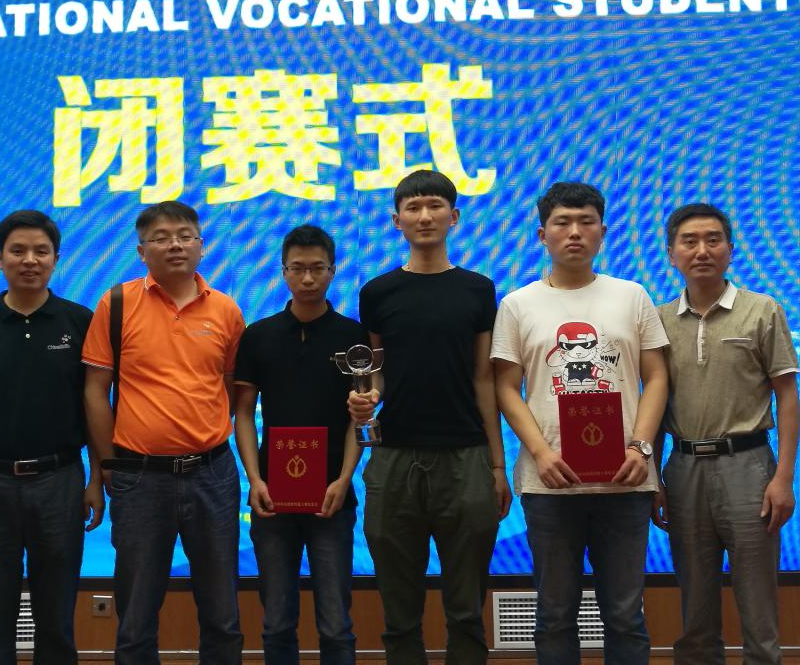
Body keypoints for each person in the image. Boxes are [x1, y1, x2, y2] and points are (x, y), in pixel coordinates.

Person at [491, 182, 668, 665]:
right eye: (562, 223)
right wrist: (541, 454)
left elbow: (657, 377)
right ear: (542, 234)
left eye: (586, 222)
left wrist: (641, 448)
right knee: (554, 614)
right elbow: (505, 387)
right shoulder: (518, 304)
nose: (575, 232)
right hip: (549, 483)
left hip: (625, 479)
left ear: (603, 232)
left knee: (626, 615)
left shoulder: (632, 296)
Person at [348, 170, 512, 665]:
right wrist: (366, 399)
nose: (424, 216)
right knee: (399, 611)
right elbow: (376, 372)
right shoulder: (377, 292)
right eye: (413, 207)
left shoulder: (478, 289)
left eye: (435, 206)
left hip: (466, 457)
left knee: (466, 608)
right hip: (393, 457)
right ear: (396, 220)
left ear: (454, 217)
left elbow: (484, 379)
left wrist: (497, 464)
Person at [82, 201, 245, 665]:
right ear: (141, 250)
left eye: (185, 235)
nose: (175, 245)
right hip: (139, 478)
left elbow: (232, 388)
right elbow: (95, 391)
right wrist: (107, 463)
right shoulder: (115, 304)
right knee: (135, 616)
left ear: (201, 246)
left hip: (212, 474)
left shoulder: (227, 310)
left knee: (222, 612)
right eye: (161, 237)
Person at [0, 210, 100, 665]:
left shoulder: (79, 322)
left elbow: (95, 408)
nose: (30, 260)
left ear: (56, 259)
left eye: (41, 251)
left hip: (60, 481)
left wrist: (96, 480)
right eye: (18, 251)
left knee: (56, 617)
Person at [653, 203, 800, 665]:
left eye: (713, 240)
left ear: (730, 250)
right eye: (689, 241)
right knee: (695, 608)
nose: (702, 250)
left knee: (758, 605)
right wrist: (653, 476)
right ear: (671, 253)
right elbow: (652, 404)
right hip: (683, 470)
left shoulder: (762, 310)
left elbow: (787, 396)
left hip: (749, 468)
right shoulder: (658, 319)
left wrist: (783, 478)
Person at [233, 224, 364, 665]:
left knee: (336, 625)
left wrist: (344, 480)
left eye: (317, 268)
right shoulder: (259, 335)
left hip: (333, 498)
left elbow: (359, 418)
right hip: (272, 499)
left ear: (333, 271)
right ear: (284, 272)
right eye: (298, 268)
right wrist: (255, 480)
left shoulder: (353, 337)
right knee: (275, 623)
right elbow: (243, 414)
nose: (308, 278)